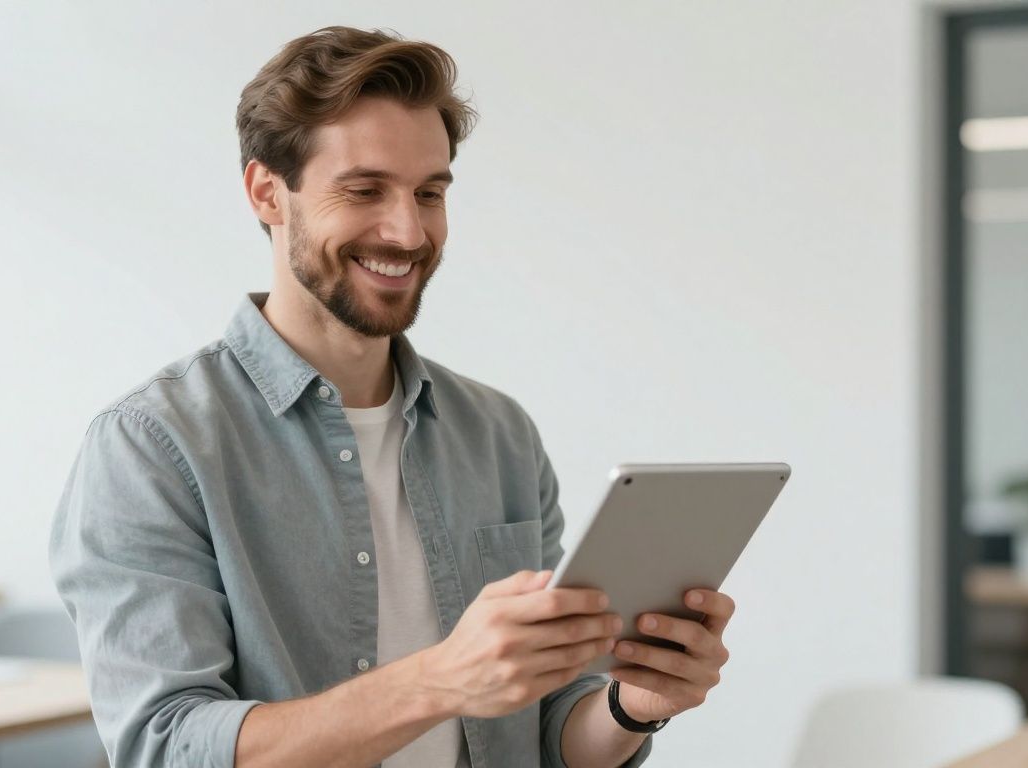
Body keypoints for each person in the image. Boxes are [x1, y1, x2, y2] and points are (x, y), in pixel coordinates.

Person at [49, 25, 735, 768]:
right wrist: (441, 679)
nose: (408, 232)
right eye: (364, 190)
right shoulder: (153, 446)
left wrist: (632, 705)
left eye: (429, 193)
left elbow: (546, 731)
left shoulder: (500, 435)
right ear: (268, 193)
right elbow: (166, 746)